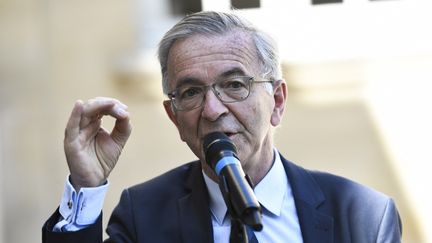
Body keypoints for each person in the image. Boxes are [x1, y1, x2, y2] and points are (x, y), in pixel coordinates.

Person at [42, 11, 402, 243]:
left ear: (277, 101)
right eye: (192, 92)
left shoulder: (363, 218)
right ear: (174, 117)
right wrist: (87, 185)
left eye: (234, 85)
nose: (213, 110)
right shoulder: (144, 215)